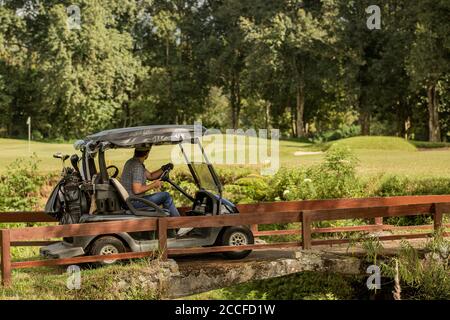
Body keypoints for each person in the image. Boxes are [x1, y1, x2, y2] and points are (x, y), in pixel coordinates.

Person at [121, 146, 192, 236]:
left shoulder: (132, 162)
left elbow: (150, 176)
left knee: (164, 197)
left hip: (131, 200)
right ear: (147, 154)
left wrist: (163, 168)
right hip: (134, 202)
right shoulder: (137, 167)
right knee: (165, 196)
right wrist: (154, 185)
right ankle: (179, 225)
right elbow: (137, 190)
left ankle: (171, 227)